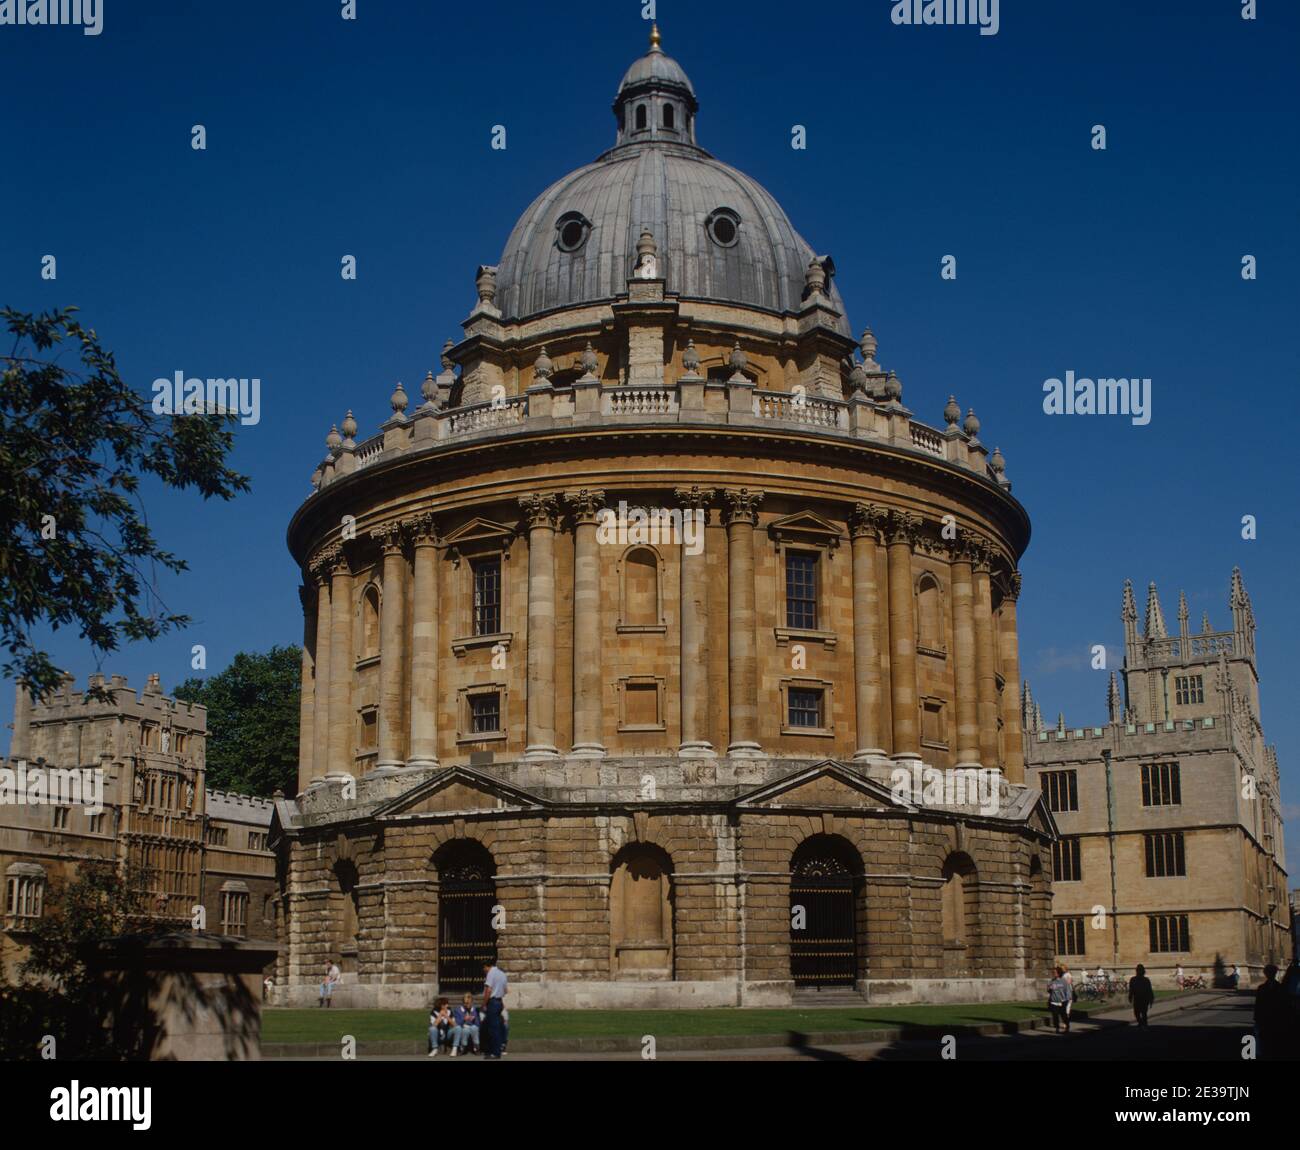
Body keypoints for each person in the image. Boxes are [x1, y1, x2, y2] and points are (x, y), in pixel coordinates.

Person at [1254, 964, 1288, 1060]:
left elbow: (1284, 1005)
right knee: (1265, 1042)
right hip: (1265, 1020)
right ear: (1266, 974)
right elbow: (1258, 1005)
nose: (1270, 974)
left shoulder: (1281, 988)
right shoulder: (1261, 988)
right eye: (1268, 973)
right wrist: (1257, 1020)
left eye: (1271, 972)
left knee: (1276, 1043)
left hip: (1277, 1020)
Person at [481, 958, 508, 1059]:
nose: (484, 970)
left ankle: (495, 1052)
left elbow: (488, 990)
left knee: (493, 1029)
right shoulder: (502, 974)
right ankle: (496, 1048)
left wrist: (484, 1003)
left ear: (487, 966)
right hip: (499, 1001)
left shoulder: (491, 973)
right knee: (497, 1027)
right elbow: (505, 990)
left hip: (493, 1002)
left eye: (484, 968)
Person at [1047, 967, 1072, 1033]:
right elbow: (1049, 990)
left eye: (1055, 972)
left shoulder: (1063, 981)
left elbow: (1067, 990)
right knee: (1055, 1016)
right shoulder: (1052, 981)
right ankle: (1057, 1028)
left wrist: (1068, 999)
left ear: (1059, 973)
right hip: (1054, 1001)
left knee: (1063, 1015)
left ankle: (1067, 1026)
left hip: (1063, 1001)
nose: (1054, 973)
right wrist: (1049, 988)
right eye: (1053, 972)